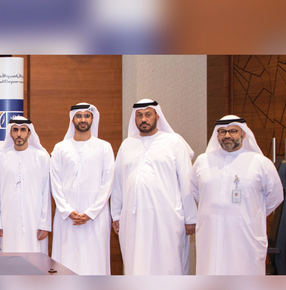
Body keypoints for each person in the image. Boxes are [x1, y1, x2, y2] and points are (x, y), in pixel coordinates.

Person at [111, 99, 197, 275]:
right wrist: (116, 214)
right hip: (133, 217)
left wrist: (190, 217)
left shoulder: (174, 141)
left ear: (157, 116)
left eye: (148, 114)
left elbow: (186, 179)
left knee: (168, 261)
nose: (144, 119)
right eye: (139, 115)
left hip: (166, 215)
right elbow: (118, 182)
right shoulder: (127, 144)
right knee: (136, 261)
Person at [191, 115, 283, 275]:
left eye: (233, 131)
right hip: (211, 233)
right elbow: (196, 192)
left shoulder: (260, 163)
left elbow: (276, 196)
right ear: (217, 135)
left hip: (245, 235)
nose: (227, 135)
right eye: (222, 131)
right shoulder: (203, 161)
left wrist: (252, 213)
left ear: (243, 133)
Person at [49, 103, 115, 274]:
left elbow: (107, 183)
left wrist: (91, 212)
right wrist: (67, 210)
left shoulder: (104, 147)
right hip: (66, 218)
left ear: (93, 119)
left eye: (87, 116)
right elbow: (55, 182)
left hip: (96, 217)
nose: (83, 119)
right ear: (72, 119)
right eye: (79, 116)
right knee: (66, 261)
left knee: (94, 262)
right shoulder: (60, 148)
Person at [0, 116, 52, 253]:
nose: (19, 134)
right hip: (8, 219)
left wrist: (44, 224)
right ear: (10, 133)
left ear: (29, 133)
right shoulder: (1, 157)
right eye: (15, 130)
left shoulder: (41, 157)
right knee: (10, 256)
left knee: (36, 258)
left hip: (34, 219)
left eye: (23, 130)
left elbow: (46, 192)